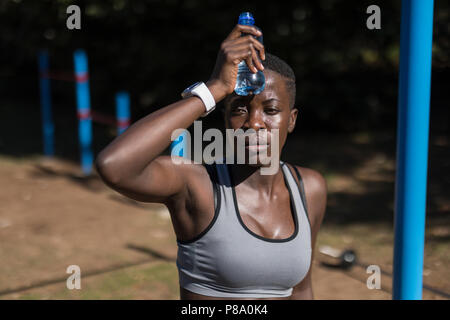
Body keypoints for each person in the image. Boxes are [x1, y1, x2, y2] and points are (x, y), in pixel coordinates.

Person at [95, 23, 327, 300]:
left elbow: (301, 290)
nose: (254, 123)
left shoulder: (309, 189)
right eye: (239, 109)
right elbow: (114, 166)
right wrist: (214, 89)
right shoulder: (198, 185)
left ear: (291, 120)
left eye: (271, 110)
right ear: (225, 118)